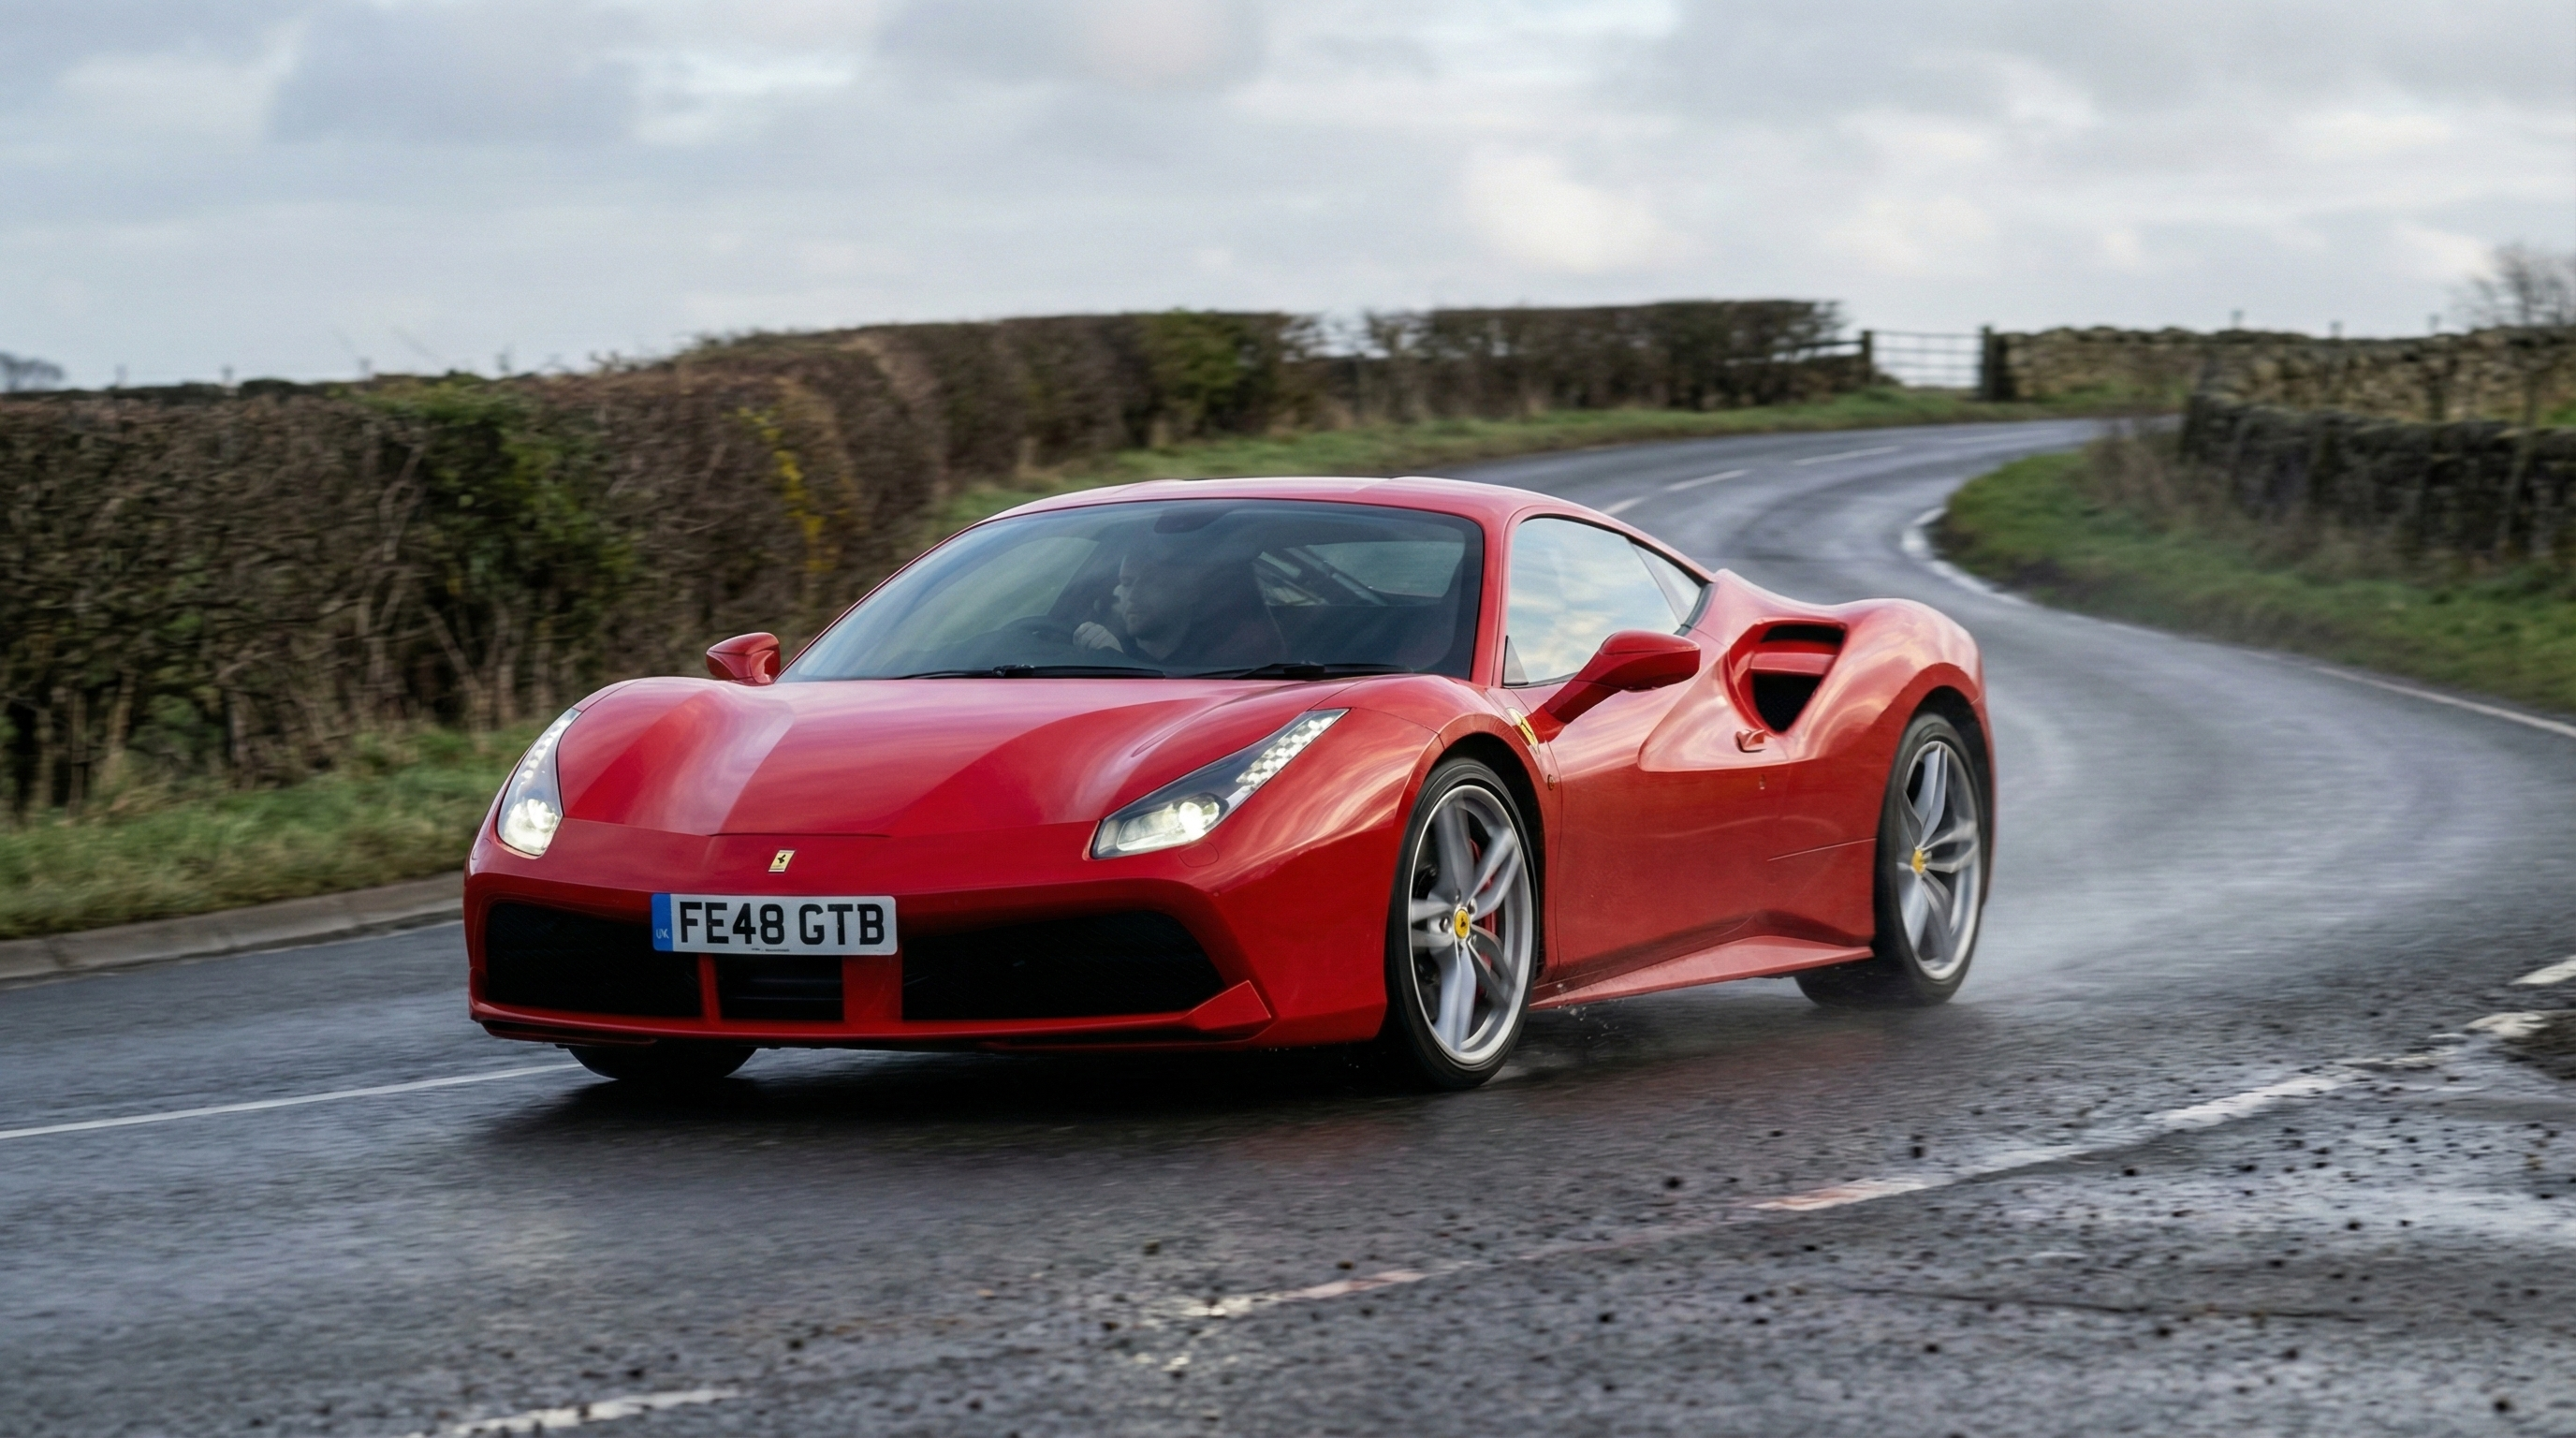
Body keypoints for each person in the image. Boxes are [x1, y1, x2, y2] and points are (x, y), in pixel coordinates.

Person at [1075, 533, 1281, 670]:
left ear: (1191, 592)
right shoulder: (1106, 644)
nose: (1134, 594)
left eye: (1151, 583)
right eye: (1127, 583)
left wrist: (1116, 660)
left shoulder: (1226, 664)